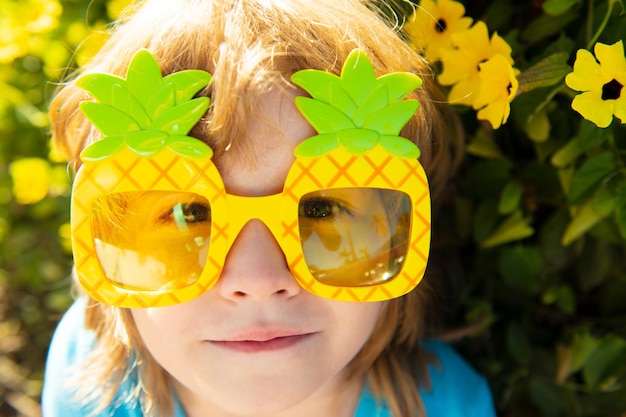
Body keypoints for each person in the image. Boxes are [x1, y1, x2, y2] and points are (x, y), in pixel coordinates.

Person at [42, 0, 497, 416]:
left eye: (325, 211)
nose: (259, 282)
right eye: (186, 215)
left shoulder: (451, 405)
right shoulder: (84, 380)